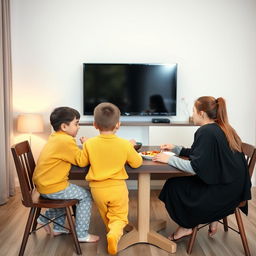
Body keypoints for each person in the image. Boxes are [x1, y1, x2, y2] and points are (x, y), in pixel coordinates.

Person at [153, 96, 251, 241]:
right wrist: (176, 149)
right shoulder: (222, 128)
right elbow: (200, 154)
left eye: (193, 111)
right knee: (180, 184)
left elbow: (195, 167)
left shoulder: (206, 132)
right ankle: (212, 218)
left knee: (173, 186)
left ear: (202, 113)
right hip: (233, 189)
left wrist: (169, 159)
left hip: (223, 194)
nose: (192, 115)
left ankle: (187, 226)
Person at [80, 102, 143, 255]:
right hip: (117, 188)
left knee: (106, 216)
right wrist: (131, 147)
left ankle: (112, 231)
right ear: (118, 125)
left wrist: (85, 144)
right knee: (120, 216)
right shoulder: (124, 144)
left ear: (95, 125)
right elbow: (137, 162)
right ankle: (114, 234)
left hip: (97, 190)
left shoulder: (90, 144)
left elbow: (82, 162)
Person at [32, 107, 99, 242]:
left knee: (70, 195)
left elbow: (74, 156)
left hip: (44, 185)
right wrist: (87, 145)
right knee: (86, 196)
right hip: (53, 186)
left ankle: (57, 227)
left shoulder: (56, 137)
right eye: (76, 123)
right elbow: (81, 161)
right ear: (64, 126)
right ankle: (81, 234)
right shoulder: (65, 141)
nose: (78, 127)